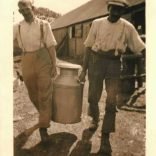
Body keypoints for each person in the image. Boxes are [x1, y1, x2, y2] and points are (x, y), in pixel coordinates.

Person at [79, 0, 145, 154]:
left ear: (123, 12)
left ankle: (107, 131)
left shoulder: (127, 27)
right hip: (96, 61)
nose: (116, 12)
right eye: (113, 9)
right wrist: (84, 69)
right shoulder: (97, 23)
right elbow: (88, 46)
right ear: (108, 8)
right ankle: (95, 119)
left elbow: (140, 47)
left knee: (111, 99)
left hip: (114, 64)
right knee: (93, 96)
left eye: (120, 10)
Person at [13, 0, 57, 142]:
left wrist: (54, 65)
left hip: (43, 57)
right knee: (33, 94)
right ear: (19, 12)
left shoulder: (44, 25)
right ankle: (44, 116)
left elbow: (50, 46)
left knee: (44, 93)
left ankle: (43, 128)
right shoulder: (17, 27)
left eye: (26, 8)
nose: (24, 12)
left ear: (32, 8)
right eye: (21, 10)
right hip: (27, 59)